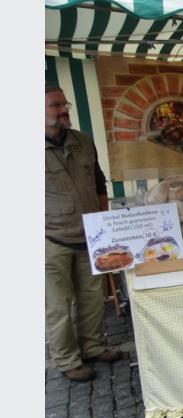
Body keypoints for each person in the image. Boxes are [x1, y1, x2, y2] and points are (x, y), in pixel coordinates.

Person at [45, 84, 123, 382]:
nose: (64, 109)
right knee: (58, 304)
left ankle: (93, 346)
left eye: (65, 104)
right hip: (51, 239)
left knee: (92, 296)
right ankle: (66, 359)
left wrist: (102, 221)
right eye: (55, 105)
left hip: (90, 235)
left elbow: (100, 182)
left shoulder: (83, 141)